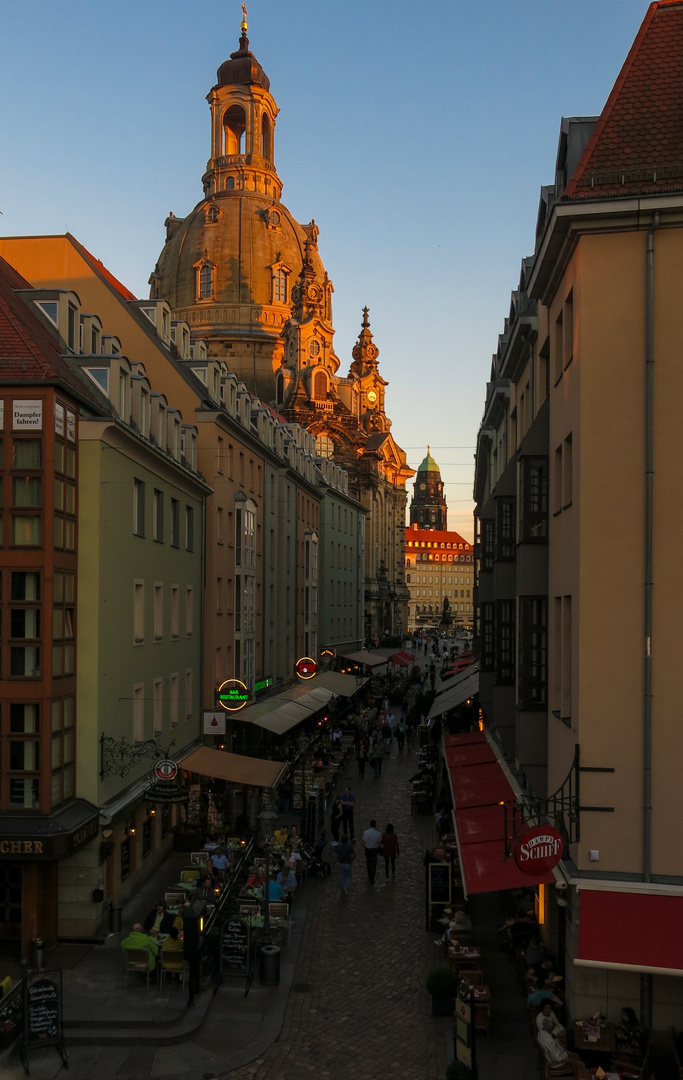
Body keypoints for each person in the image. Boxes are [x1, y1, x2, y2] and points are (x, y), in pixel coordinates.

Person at [362, 819, 382, 884]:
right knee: (374, 864)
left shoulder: (365, 832)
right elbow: (379, 844)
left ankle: (369, 874)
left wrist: (365, 846)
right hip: (374, 850)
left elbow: (363, 842)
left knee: (368, 862)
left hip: (367, 849)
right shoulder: (378, 833)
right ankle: (372, 876)